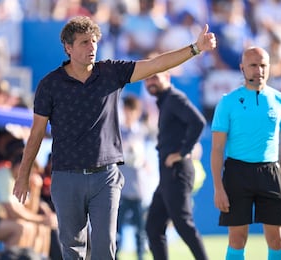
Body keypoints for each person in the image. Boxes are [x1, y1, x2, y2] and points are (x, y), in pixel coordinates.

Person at [12, 15, 216, 260]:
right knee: (72, 249)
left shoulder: (111, 72)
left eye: (94, 41)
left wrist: (195, 49)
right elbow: (36, 134)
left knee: (105, 246)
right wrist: (23, 176)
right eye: (84, 42)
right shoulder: (50, 85)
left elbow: (155, 64)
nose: (92, 47)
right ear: (68, 47)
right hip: (66, 177)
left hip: (105, 177)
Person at [210, 47, 281, 260]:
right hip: (237, 172)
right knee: (237, 239)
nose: (259, 70)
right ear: (242, 68)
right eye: (253, 65)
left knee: (277, 240)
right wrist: (218, 188)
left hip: (270, 172)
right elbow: (217, 148)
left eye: (263, 65)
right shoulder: (228, 102)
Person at [143, 62, 209, 260]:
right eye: (147, 78)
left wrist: (183, 152)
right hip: (168, 175)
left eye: (155, 77)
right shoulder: (165, 101)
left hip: (177, 171)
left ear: (168, 78)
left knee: (183, 224)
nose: (150, 82)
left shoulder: (174, 98)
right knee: (154, 227)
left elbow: (199, 122)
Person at [116, 95, 148, 260]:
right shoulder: (118, 131)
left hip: (138, 189)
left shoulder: (141, 132)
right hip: (120, 188)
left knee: (140, 230)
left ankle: (140, 256)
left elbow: (144, 159)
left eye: (131, 111)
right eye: (126, 110)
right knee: (116, 230)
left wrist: (141, 159)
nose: (128, 114)